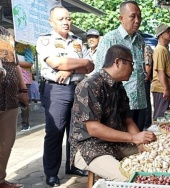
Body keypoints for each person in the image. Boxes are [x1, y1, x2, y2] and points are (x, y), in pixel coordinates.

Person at [70, 44, 157, 181]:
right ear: (117, 62)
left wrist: (140, 143)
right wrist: (133, 138)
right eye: (131, 63)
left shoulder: (118, 86)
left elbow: (128, 120)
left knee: (156, 156)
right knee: (129, 178)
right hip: (89, 146)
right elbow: (93, 129)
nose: (133, 68)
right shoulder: (89, 85)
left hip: (115, 142)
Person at [36, 6, 94, 187]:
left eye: (68, 18)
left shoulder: (78, 41)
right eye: (61, 19)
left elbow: (90, 66)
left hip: (77, 88)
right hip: (56, 90)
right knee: (55, 132)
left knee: (76, 132)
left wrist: (69, 70)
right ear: (51, 22)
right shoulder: (45, 40)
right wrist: (81, 63)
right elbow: (55, 62)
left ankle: (73, 165)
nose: (66, 22)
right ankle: (51, 173)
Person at [95, 1, 147, 131]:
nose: (137, 20)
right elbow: (100, 72)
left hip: (139, 101)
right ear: (121, 18)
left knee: (139, 142)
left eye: (139, 16)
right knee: (121, 144)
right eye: (133, 16)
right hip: (118, 105)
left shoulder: (140, 39)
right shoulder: (110, 39)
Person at [0, 27, 28, 188]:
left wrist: (23, 89)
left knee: (6, 142)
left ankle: (1, 180)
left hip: (9, 98)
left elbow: (15, 63)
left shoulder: (5, 33)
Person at [151, 24, 170, 121]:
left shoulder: (164, 49)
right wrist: (166, 89)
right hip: (161, 89)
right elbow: (160, 71)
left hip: (164, 89)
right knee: (160, 118)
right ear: (161, 35)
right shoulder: (160, 50)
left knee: (163, 117)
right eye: (167, 32)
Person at [16, 42, 35, 131]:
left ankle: (25, 124)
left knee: (24, 101)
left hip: (24, 78)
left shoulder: (26, 47)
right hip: (10, 77)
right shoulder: (7, 45)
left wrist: (15, 62)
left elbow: (30, 63)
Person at [143, 45, 153, 129]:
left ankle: (146, 125)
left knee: (145, 102)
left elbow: (148, 65)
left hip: (143, 80)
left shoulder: (146, 47)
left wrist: (146, 78)